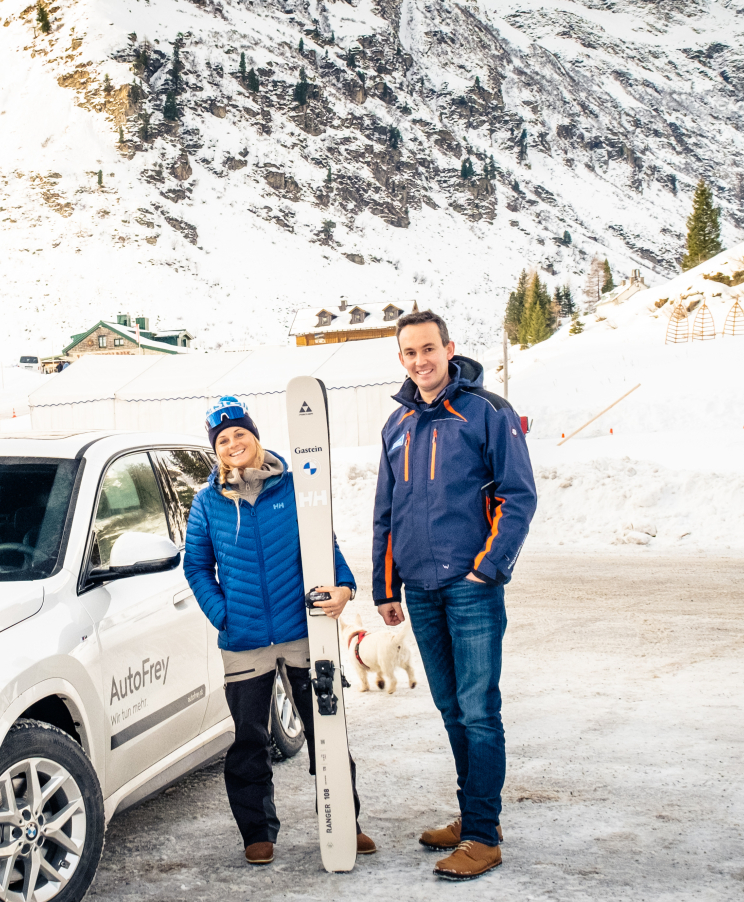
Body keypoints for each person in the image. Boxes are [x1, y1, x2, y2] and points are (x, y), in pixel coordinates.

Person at [371, 309, 536, 881]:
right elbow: (386, 513)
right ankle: (470, 819)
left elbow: (518, 496)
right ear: (401, 359)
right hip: (419, 589)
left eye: (429, 349)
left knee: (478, 710)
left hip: (470, 590)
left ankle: (484, 837)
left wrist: (487, 570)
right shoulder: (397, 425)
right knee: (450, 710)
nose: (420, 361)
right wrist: (385, 584)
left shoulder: (489, 413)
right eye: (409, 353)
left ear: (449, 349)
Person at [183, 396, 376, 866]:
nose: (233, 444)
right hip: (244, 640)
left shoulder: (293, 487)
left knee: (325, 730)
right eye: (223, 440)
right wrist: (224, 615)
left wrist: (345, 586)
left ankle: (344, 822)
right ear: (216, 450)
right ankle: (257, 833)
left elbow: (323, 543)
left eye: (240, 435)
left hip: (301, 631)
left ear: (255, 437)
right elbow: (196, 566)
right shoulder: (208, 502)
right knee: (250, 739)